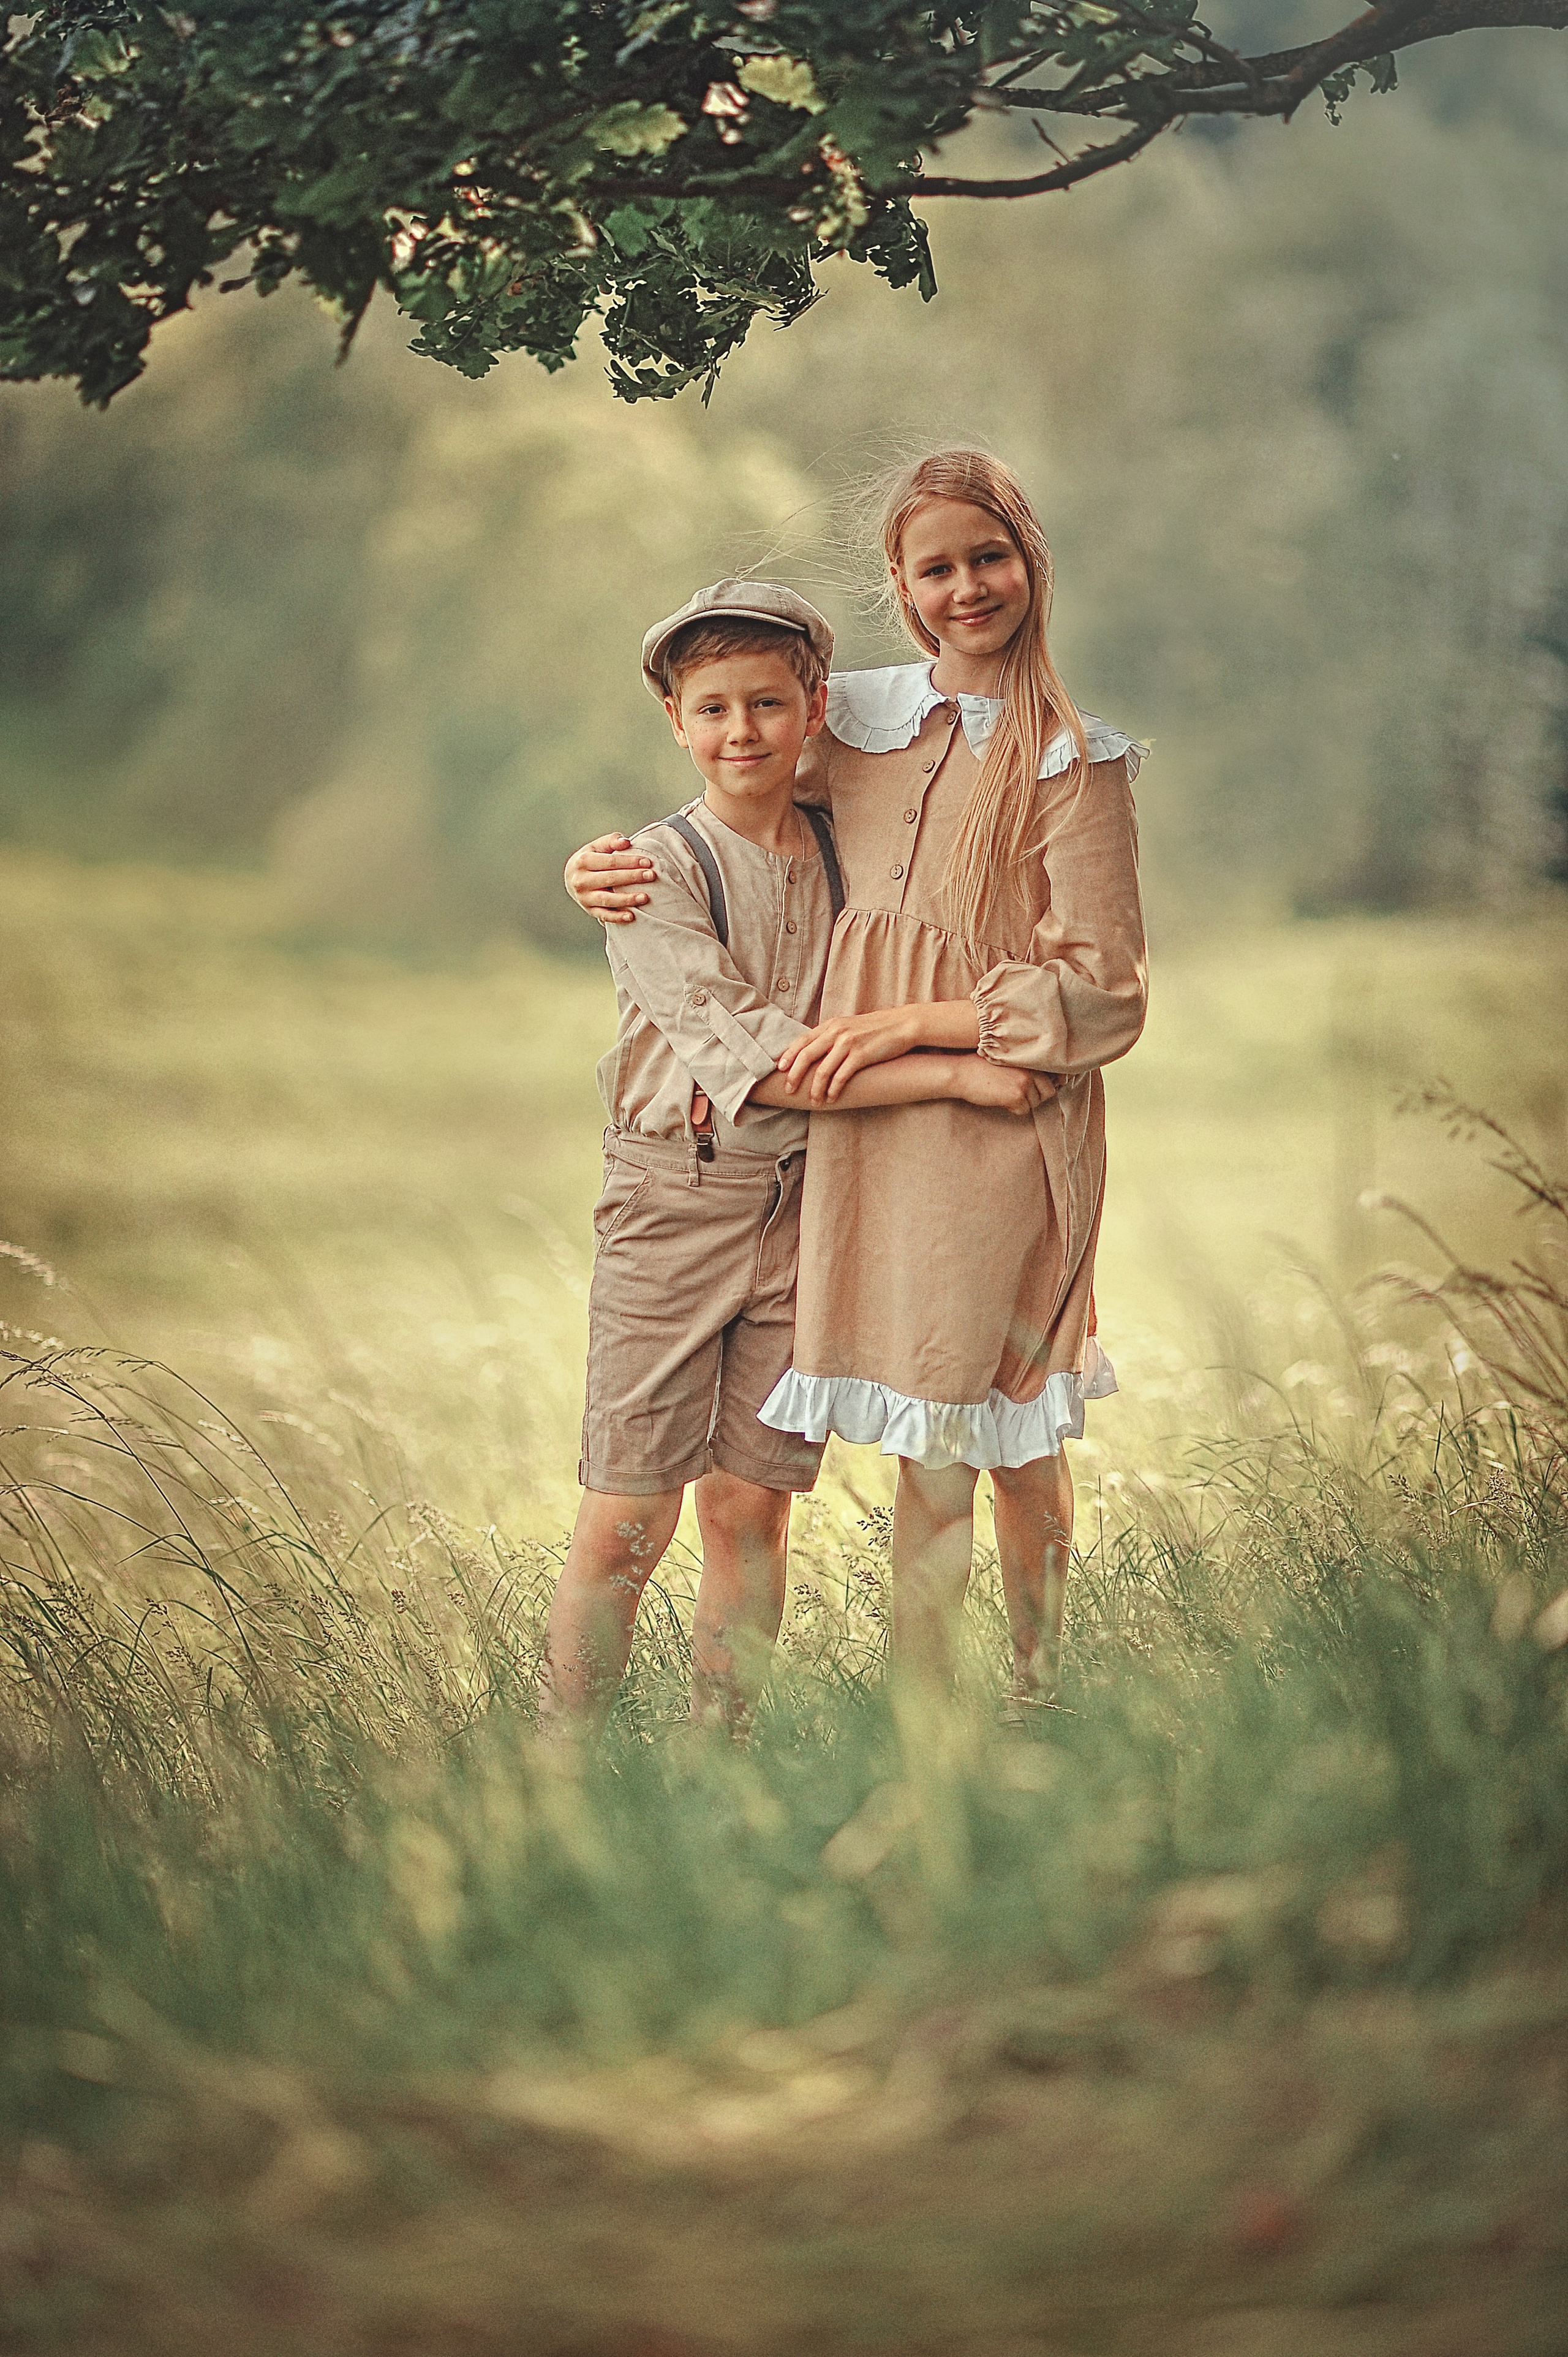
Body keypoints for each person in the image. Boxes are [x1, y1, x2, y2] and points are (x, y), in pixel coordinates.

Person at [565, 454, 1147, 1705]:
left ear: (1029, 559)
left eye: (985, 557)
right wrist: (601, 866)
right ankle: (921, 1712)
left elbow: (1104, 994)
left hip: (995, 1105)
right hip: (854, 1131)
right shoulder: (861, 722)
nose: (965, 587)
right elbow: (734, 782)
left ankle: (1038, 1692)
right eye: (933, 567)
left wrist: (914, 1028)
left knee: (1003, 1423)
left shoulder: (1074, 763)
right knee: (915, 1426)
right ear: (899, 584)